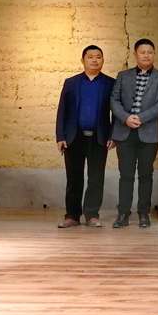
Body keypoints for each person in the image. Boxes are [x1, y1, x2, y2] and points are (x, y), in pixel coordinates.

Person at [110, 39, 158, 229]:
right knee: (126, 175)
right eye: (143, 52)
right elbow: (114, 100)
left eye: (150, 52)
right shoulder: (123, 76)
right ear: (135, 54)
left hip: (148, 133)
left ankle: (144, 213)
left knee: (146, 175)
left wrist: (141, 118)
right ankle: (123, 213)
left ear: (154, 54)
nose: (146, 55)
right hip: (125, 132)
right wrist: (126, 118)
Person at [54, 45, 115, 228]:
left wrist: (113, 135)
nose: (94, 60)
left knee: (96, 178)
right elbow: (62, 111)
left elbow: (116, 113)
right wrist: (60, 136)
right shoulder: (71, 83)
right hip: (74, 138)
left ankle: (92, 215)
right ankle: (72, 216)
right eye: (90, 57)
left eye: (98, 57)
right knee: (74, 178)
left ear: (103, 60)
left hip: (99, 138)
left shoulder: (110, 84)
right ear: (83, 60)